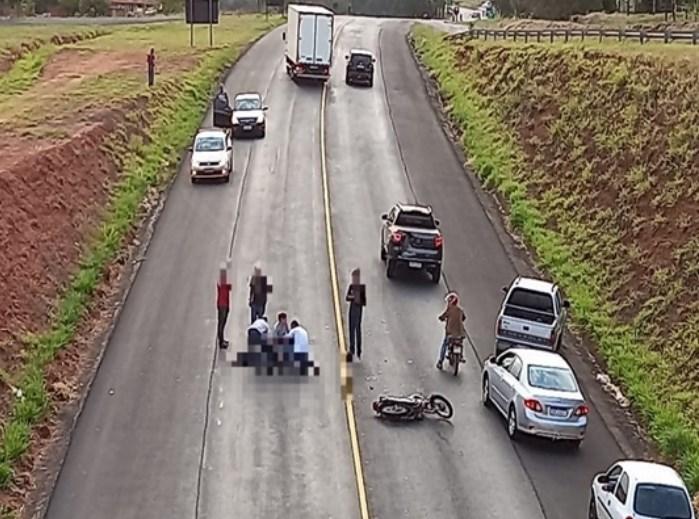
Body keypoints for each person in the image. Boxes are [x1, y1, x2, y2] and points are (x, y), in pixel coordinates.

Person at [436, 292, 466, 370]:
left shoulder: (449, 309)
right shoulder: (460, 310)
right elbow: (464, 318)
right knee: (460, 343)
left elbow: (443, 316)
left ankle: (440, 361)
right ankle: (461, 356)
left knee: (444, 345)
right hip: (460, 334)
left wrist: (441, 318)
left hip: (450, 333)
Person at [345, 268, 366, 361]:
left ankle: (359, 350)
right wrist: (352, 297)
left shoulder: (362, 288)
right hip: (352, 309)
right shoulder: (351, 287)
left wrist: (358, 299)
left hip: (358, 310)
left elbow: (364, 301)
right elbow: (347, 297)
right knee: (351, 328)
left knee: (357, 329)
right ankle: (351, 348)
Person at [216, 266, 232, 349]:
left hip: (224, 304)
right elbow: (230, 286)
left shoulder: (223, 281)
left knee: (222, 323)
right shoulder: (222, 281)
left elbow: (230, 287)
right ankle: (221, 342)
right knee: (221, 323)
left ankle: (222, 339)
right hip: (223, 305)